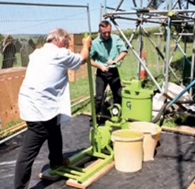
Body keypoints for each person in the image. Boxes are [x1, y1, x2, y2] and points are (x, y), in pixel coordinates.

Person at [14, 28, 91, 189]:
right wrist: (86, 44)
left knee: (54, 129)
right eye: (67, 43)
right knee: (28, 151)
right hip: (39, 108)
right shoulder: (60, 54)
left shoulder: (37, 53)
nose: (67, 46)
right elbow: (83, 58)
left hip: (34, 102)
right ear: (61, 41)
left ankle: (56, 161)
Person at [90, 20, 128, 117]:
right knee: (98, 97)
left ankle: (117, 115)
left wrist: (116, 60)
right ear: (100, 31)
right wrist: (100, 66)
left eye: (109, 32)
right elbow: (89, 60)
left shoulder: (116, 39)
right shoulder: (95, 43)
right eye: (104, 33)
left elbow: (124, 51)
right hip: (101, 73)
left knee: (118, 95)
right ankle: (95, 119)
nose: (107, 34)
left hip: (114, 71)